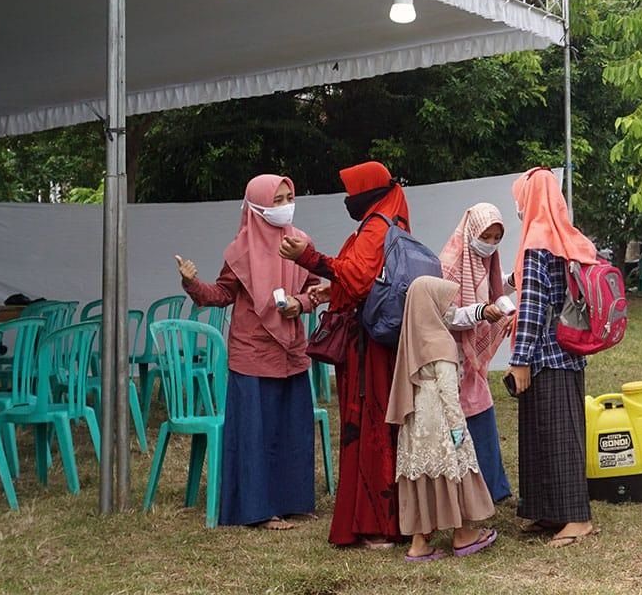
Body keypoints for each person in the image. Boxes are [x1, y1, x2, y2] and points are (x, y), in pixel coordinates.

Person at [175, 174, 318, 530]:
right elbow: (221, 295)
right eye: (277, 201)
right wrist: (192, 283)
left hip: (291, 350)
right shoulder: (240, 250)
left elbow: (319, 289)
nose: (285, 207)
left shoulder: (301, 243)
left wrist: (299, 304)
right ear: (256, 207)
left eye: (289, 198)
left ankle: (293, 501)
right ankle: (258, 510)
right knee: (257, 432)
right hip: (252, 354)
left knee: (291, 429)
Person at [278, 161, 408, 548]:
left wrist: (310, 258)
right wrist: (330, 292)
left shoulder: (377, 228)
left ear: (369, 192)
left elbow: (358, 277)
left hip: (369, 346)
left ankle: (376, 524)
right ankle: (384, 520)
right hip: (379, 341)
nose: (349, 200)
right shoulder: (391, 222)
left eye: (353, 192)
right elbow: (369, 284)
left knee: (370, 427)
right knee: (377, 425)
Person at [507, 167, 599, 548]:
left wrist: (520, 357)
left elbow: (532, 305)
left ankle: (575, 518)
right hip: (570, 350)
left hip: (546, 354)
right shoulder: (569, 239)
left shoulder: (536, 243)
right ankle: (545, 510)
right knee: (548, 433)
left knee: (556, 436)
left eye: (519, 199)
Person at [387, 277, 498, 562]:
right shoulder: (441, 343)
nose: (451, 310)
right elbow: (449, 392)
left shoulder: (413, 340)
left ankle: (418, 543)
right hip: (439, 418)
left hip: (416, 421)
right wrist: (458, 426)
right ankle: (463, 535)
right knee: (454, 468)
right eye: (446, 304)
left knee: (422, 474)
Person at [437, 203, 514, 503]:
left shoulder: (486, 260)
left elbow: (491, 289)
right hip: (454, 357)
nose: (491, 244)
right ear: (471, 231)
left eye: (497, 238)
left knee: (482, 413)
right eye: (487, 236)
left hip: (473, 362)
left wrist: (510, 283)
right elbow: (446, 314)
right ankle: (469, 496)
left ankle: (494, 489)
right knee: (461, 422)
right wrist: (482, 312)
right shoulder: (449, 265)